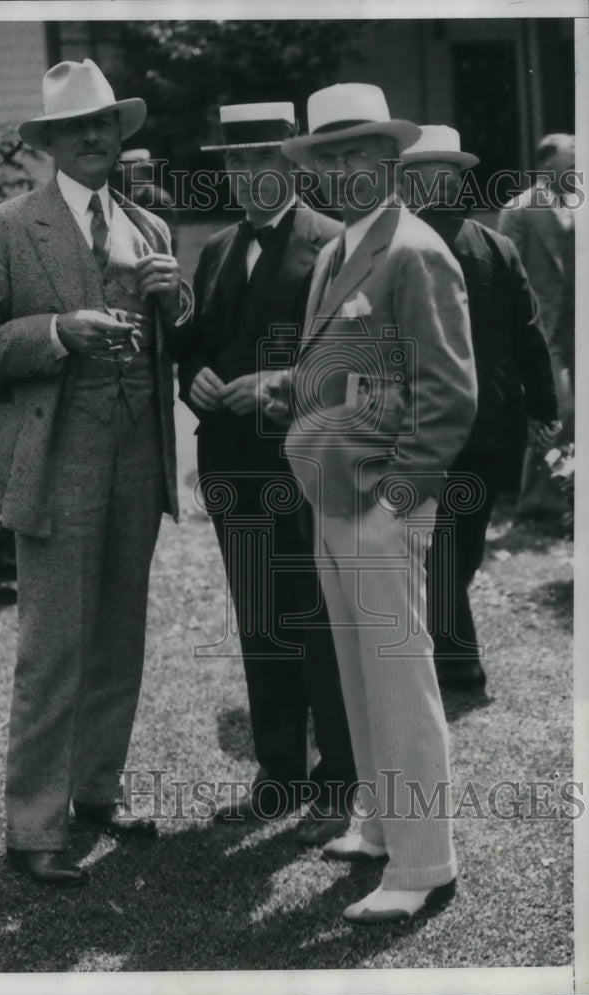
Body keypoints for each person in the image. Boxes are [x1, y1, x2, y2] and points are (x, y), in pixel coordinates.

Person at [0, 59, 191, 885]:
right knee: (53, 647)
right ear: (49, 142)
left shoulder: (150, 230)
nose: (95, 138)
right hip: (57, 456)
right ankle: (33, 827)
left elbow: (175, 340)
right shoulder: (4, 228)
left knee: (120, 634)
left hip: (137, 455)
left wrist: (174, 300)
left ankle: (96, 792)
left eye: (106, 124)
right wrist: (55, 331)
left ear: (121, 135)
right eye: (75, 128)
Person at [279, 83, 477, 924]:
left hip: (381, 499)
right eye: (329, 155)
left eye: (361, 151)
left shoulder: (417, 249)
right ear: (317, 170)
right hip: (336, 490)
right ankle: (378, 820)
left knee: (399, 677)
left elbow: (450, 395)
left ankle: (424, 861)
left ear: (392, 159)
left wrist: (401, 497)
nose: (345, 168)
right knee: (360, 672)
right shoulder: (336, 252)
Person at [177, 103, 357, 846]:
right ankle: (277, 772)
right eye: (234, 164)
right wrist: (194, 376)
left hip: (305, 464)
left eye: (261, 161)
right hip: (230, 468)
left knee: (316, 619)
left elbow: (352, 358)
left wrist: (274, 381)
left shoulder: (334, 245)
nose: (247, 176)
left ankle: (339, 779)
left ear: (294, 164)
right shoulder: (217, 248)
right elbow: (194, 343)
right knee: (260, 621)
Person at [402, 126, 560, 690]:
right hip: (489, 422)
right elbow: (529, 336)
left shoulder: (399, 244)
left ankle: (457, 657)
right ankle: (455, 654)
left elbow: (526, 334)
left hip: (423, 419)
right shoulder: (495, 244)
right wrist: (543, 410)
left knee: (441, 543)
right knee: (460, 540)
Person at [498, 133, 575, 517]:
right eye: (572, 160)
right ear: (548, 168)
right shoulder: (520, 210)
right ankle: (536, 504)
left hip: (577, 328)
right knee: (559, 410)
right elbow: (505, 277)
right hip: (543, 329)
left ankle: (567, 502)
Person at [116, 148, 177, 252]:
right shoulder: (129, 198)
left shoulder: (158, 199)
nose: (127, 174)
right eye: (125, 171)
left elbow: (168, 237)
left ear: (144, 171)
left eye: (131, 170)